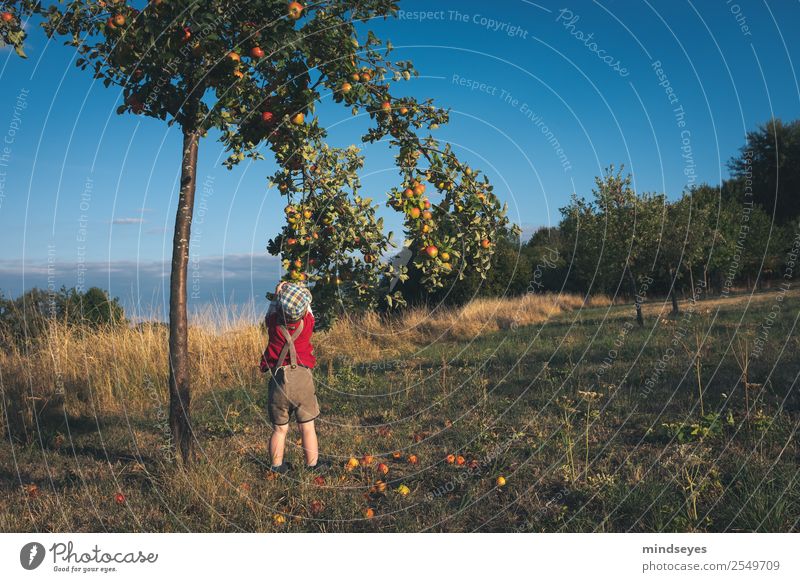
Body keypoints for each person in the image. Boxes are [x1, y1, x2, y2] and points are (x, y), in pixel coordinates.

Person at [259, 281, 325, 474]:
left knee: (280, 430)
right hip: (302, 381)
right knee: (307, 427)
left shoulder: (273, 325)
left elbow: (269, 314)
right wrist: (302, 289)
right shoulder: (308, 324)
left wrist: (277, 294)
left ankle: (276, 466)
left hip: (279, 383)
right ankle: (312, 465)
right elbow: (309, 311)